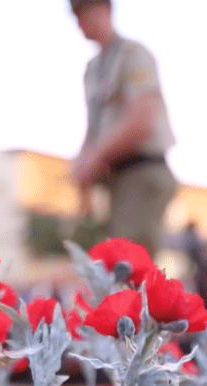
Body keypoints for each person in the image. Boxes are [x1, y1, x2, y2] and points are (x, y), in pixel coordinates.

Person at [69, 0, 177, 256]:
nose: (80, 23)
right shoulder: (93, 69)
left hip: (142, 170)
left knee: (128, 266)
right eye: (76, 16)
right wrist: (82, 164)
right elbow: (94, 127)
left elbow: (141, 122)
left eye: (84, 12)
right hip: (116, 179)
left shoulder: (133, 54)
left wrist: (96, 156)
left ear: (104, 9)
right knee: (113, 263)